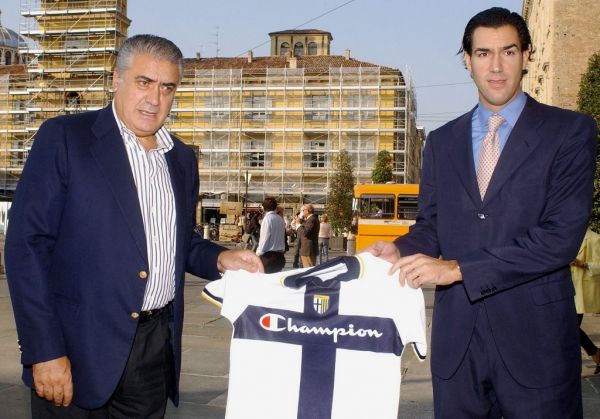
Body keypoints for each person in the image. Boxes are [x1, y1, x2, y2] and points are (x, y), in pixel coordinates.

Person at [4, 34, 262, 418]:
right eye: (144, 82)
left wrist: (222, 257)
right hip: (76, 349)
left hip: (154, 351)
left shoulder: (181, 159)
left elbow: (176, 242)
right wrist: (44, 351)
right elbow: (26, 247)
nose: (154, 99)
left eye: (167, 88)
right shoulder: (65, 139)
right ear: (116, 79)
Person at [367, 8, 597, 418]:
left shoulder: (570, 132)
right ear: (467, 60)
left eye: (508, 52)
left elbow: (559, 239)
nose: (495, 66)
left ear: (527, 55)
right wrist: (400, 250)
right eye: (483, 53)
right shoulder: (441, 141)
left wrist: (458, 270)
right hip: (459, 347)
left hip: (536, 345)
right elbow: (432, 227)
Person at [571, 228, 600, 375]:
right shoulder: (567, 237)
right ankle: (596, 354)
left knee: (569, 328)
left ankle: (594, 354)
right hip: (566, 289)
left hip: (581, 291)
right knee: (569, 329)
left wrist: (582, 264)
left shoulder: (594, 238)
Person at [256, 198, 287, 274]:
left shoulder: (267, 219)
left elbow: (264, 238)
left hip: (268, 257)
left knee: (266, 280)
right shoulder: (280, 219)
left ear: (264, 207)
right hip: (280, 255)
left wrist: (258, 253)